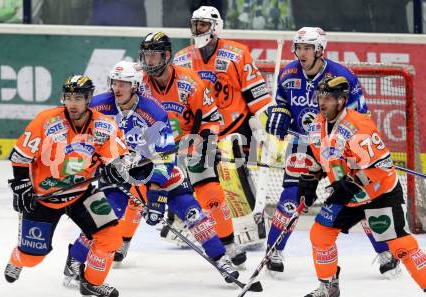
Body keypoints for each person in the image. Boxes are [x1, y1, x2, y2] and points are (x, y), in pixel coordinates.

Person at [62, 61, 240, 286]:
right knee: (105, 217)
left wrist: (156, 191)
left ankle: (220, 258)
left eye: (123, 84)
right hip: (117, 173)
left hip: (151, 168)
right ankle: (75, 260)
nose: (117, 88)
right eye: (115, 83)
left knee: (190, 208)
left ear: (135, 86)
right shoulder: (98, 106)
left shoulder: (154, 112)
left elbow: (165, 155)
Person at [264, 26, 400, 278]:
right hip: (303, 143)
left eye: (307, 48)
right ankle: (274, 249)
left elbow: (362, 118)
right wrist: (279, 114)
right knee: (292, 195)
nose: (301, 53)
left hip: (337, 147)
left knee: (357, 196)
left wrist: (353, 152)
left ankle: (386, 250)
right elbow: (280, 104)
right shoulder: (287, 74)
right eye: (299, 47)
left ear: (319, 50)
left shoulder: (342, 76)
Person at [4, 75, 143, 297]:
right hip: (45, 196)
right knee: (33, 257)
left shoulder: (104, 126)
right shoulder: (46, 121)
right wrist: (21, 184)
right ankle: (19, 259)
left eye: (78, 98)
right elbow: (20, 156)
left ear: (89, 99)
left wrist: (115, 169)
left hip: (82, 192)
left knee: (111, 238)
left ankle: (91, 282)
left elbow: (120, 158)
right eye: (68, 97)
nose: (72, 103)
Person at [299, 75, 426, 297]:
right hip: (346, 197)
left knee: (400, 246)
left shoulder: (360, 127)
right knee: (320, 234)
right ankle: (328, 286)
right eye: (320, 96)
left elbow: (384, 166)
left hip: (379, 193)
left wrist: (354, 182)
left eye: (328, 98)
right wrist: (311, 178)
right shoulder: (316, 126)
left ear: (341, 101)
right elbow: (324, 159)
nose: (322, 102)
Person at [139, 31, 250, 268]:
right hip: (154, 153)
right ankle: (121, 242)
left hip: (189, 146)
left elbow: (210, 118)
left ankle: (228, 243)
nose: (149, 61)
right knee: (133, 197)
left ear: (166, 55)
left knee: (211, 190)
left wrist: (208, 143)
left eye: (154, 55)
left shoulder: (190, 82)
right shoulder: (138, 84)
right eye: (146, 55)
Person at [173, 6, 273, 250]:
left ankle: (250, 223)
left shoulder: (237, 54)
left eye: (203, 25)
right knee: (197, 177)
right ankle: (195, 221)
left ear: (216, 27)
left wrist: (263, 124)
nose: (198, 29)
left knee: (231, 173)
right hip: (202, 130)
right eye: (195, 24)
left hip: (233, 126)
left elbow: (257, 93)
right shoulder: (182, 58)